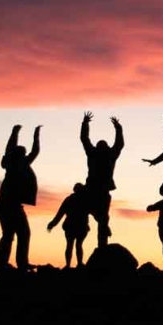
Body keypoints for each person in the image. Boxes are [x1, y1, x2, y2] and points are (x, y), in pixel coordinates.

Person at [0, 124, 41, 274]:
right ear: (18, 155)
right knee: (17, 233)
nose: (25, 153)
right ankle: (9, 265)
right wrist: (15, 132)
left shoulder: (16, 163)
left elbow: (33, 151)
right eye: (23, 152)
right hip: (9, 205)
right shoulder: (15, 163)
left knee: (15, 234)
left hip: (10, 204)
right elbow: (11, 148)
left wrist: (34, 135)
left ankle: (10, 264)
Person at [80, 111, 124, 248]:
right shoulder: (108, 155)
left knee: (100, 217)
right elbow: (119, 143)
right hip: (97, 189)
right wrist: (118, 128)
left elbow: (85, 139)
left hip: (95, 189)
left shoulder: (95, 154)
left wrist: (85, 123)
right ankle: (102, 242)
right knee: (101, 218)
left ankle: (102, 245)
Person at [47, 183, 90, 269]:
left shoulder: (75, 200)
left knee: (73, 245)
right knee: (75, 245)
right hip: (75, 226)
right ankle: (74, 264)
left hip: (77, 226)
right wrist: (52, 223)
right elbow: (60, 214)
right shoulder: (83, 200)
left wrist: (52, 223)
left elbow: (60, 214)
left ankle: (73, 264)